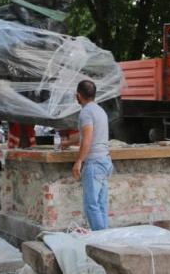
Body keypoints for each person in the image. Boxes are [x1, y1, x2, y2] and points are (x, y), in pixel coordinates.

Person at [62, 80, 113, 231]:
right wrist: (67, 142)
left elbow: (88, 139)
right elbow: (86, 134)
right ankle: (105, 238)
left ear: (78, 95)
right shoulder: (99, 110)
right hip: (105, 161)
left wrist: (79, 161)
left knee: (91, 205)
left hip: (94, 164)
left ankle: (100, 241)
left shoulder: (86, 112)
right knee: (101, 204)